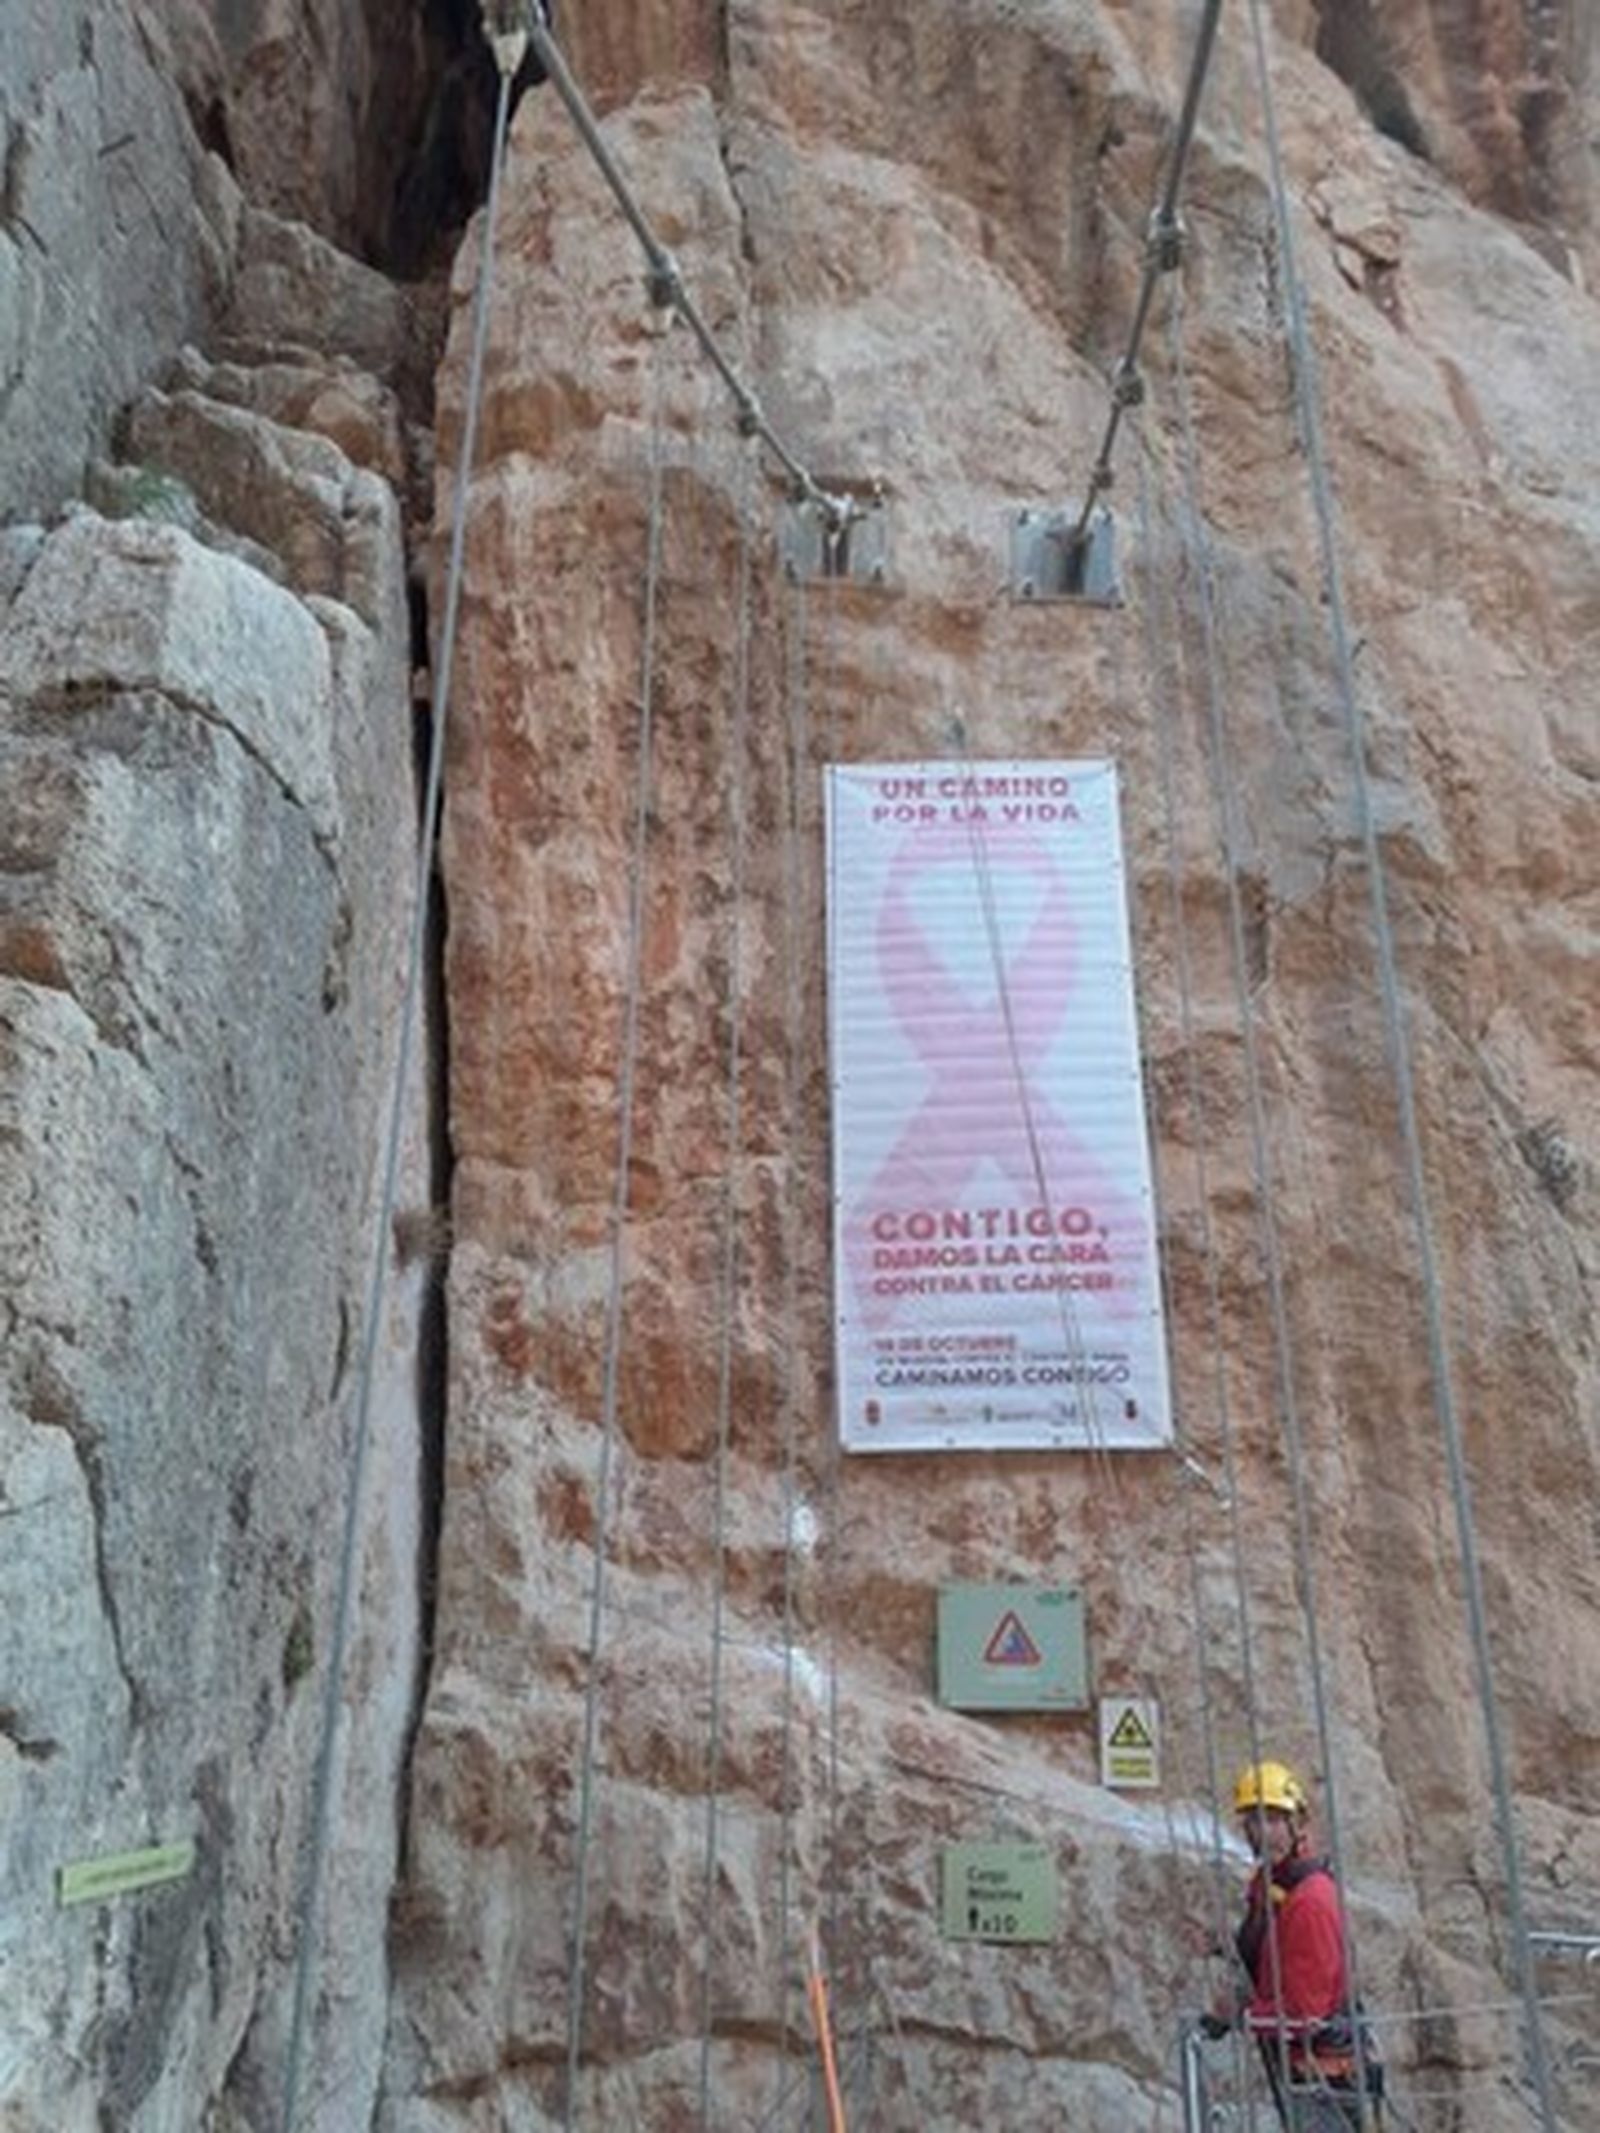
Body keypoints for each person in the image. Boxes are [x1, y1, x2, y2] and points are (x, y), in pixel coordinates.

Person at [1207, 1759, 1381, 2130]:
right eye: (1255, 1822)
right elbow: (1263, 1946)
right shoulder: (1271, 1885)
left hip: (1322, 2076)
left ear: (1297, 1823)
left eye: (1273, 1820)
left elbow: (1305, 2013)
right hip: (1299, 2067)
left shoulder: (1309, 1901)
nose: (1264, 1832)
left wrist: (1241, 2014)